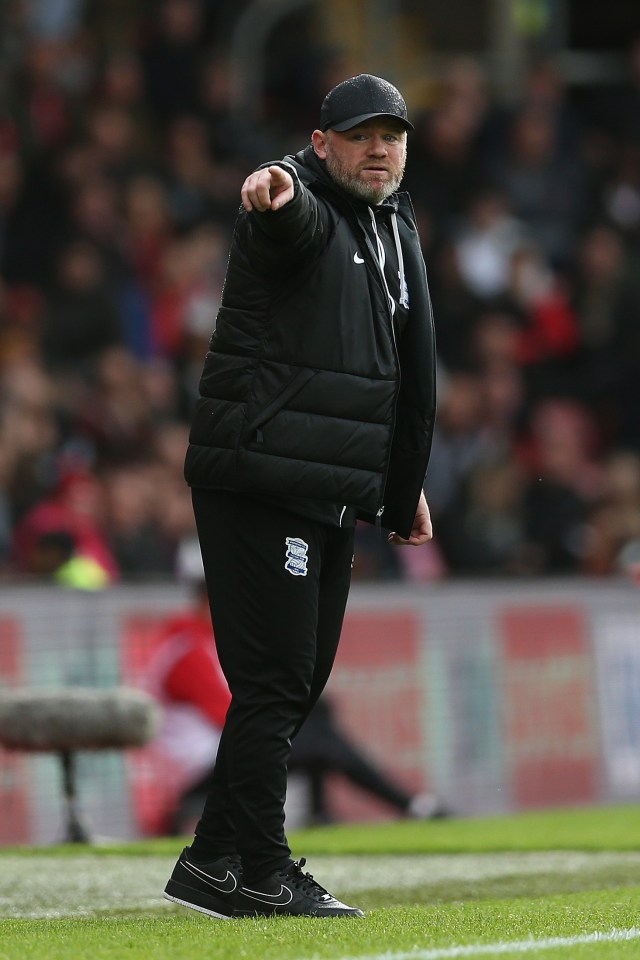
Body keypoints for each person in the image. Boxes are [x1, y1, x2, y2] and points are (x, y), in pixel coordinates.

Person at [164, 73, 437, 919]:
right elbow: (288, 222)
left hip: (324, 485)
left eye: (391, 135)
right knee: (278, 679)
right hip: (262, 475)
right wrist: (273, 198)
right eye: (360, 135)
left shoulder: (394, 224)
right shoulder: (304, 202)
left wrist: (401, 488)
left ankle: (215, 859)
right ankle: (267, 868)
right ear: (322, 144)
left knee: (295, 684)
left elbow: (406, 373)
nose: (378, 149)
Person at [148, 545, 448, 836]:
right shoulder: (187, 649)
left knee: (316, 710)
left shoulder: (211, 640)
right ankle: (408, 805)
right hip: (200, 768)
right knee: (317, 739)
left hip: (223, 752)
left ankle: (328, 811)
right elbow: (230, 715)